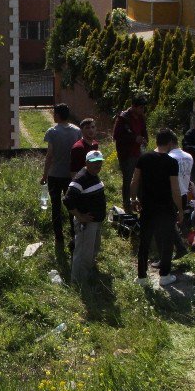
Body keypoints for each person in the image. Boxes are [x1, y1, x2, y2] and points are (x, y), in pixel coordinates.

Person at [130, 128, 184, 287]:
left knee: (144, 242)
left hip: (147, 206)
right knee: (167, 241)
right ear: (170, 143)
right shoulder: (171, 162)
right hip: (166, 207)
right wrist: (180, 209)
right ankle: (164, 275)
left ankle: (141, 277)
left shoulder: (144, 158)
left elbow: (134, 181)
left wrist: (133, 199)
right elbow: (175, 189)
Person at [40, 103, 82, 251]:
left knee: (56, 206)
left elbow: (49, 155)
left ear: (57, 115)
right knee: (72, 206)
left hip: (55, 174)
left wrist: (44, 174)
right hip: (71, 175)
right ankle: (74, 234)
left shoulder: (52, 132)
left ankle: (59, 237)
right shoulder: (77, 131)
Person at [63, 150, 107, 284]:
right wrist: (80, 216)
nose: (97, 165)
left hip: (96, 222)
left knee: (93, 249)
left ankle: (87, 275)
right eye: (94, 163)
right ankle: (78, 282)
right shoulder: (81, 178)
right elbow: (67, 199)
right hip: (86, 223)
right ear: (86, 163)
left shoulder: (93, 175)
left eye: (99, 162)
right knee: (83, 253)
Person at [113, 96, 149, 209]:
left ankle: (140, 203)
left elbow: (144, 131)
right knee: (128, 179)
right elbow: (117, 136)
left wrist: (145, 139)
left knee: (141, 178)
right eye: (141, 107)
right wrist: (134, 138)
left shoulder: (141, 118)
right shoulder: (123, 118)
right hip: (127, 154)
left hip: (139, 152)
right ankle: (127, 205)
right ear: (133, 106)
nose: (143, 110)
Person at [168, 139, 195, 257]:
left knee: (170, 221)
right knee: (181, 219)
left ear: (169, 143)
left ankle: (180, 247)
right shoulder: (189, 156)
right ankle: (188, 241)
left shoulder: (169, 157)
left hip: (173, 193)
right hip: (185, 193)